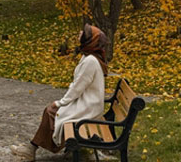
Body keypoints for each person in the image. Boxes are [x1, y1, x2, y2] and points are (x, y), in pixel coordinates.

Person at [11, 24, 108, 161]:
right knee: (52, 111)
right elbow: (77, 87)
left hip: (88, 109)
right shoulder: (88, 57)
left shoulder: (90, 61)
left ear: (89, 40)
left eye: (84, 33)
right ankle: (31, 149)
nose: (79, 33)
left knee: (51, 111)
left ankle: (30, 149)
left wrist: (60, 103)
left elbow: (77, 88)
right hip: (87, 103)